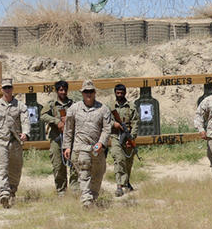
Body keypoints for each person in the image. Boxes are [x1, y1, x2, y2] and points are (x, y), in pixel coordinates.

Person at [63, 80, 112, 208]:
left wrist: (101, 143)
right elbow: (68, 129)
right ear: (82, 93)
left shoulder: (103, 109)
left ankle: (93, 197)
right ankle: (86, 199)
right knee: (84, 171)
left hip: (97, 148)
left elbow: (107, 129)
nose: (88, 94)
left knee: (98, 173)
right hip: (81, 147)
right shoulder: (74, 109)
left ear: (94, 92)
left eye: (90, 91)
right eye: (86, 92)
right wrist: (67, 146)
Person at [0, 78, 30, 209]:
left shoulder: (20, 106)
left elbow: (26, 121)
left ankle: (12, 192)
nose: (7, 90)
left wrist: (25, 133)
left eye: (9, 88)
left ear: (12, 88)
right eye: (5, 88)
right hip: (0, 142)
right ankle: (4, 194)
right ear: (2, 90)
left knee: (16, 169)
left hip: (15, 142)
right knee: (2, 169)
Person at [40, 80, 77, 197]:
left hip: (72, 139)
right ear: (57, 91)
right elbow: (43, 115)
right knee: (58, 165)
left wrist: (69, 120)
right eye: (61, 90)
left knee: (74, 164)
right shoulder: (52, 104)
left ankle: (76, 189)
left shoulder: (73, 104)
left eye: (65, 89)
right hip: (56, 138)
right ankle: (61, 191)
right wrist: (56, 121)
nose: (63, 92)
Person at [108, 84, 139, 197]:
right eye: (118, 93)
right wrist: (114, 124)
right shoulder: (111, 107)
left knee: (128, 161)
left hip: (128, 136)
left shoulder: (131, 106)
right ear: (115, 93)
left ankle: (126, 182)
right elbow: (105, 120)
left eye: (122, 93)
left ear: (125, 93)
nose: (120, 95)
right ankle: (119, 186)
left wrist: (131, 137)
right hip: (116, 137)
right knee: (119, 159)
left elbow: (135, 122)